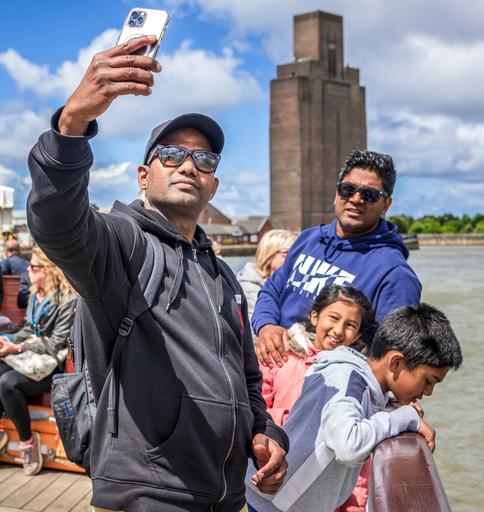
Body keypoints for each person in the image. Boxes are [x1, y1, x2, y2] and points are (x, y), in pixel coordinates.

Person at [27, 35, 288, 511]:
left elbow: (247, 378)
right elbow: (59, 224)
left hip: (226, 493)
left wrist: (265, 432)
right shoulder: (122, 243)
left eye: (204, 160)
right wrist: (72, 123)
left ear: (213, 185)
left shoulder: (224, 276)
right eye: (171, 154)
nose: (189, 164)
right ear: (144, 176)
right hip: (150, 492)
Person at [245, 303, 462, 512]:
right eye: (428, 381)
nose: (429, 392)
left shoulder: (366, 384)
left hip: (284, 502)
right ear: (396, 363)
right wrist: (408, 416)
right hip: (269, 502)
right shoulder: (346, 380)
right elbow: (348, 446)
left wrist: (390, 408)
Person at [252, 150, 422, 369]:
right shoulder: (308, 239)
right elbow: (271, 291)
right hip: (272, 372)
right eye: (348, 189)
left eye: (369, 194)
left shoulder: (395, 273)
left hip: (326, 388)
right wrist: (266, 326)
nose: (355, 199)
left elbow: (390, 357)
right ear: (336, 193)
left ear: (386, 205)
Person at [258, 285, 374, 512]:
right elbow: (253, 410)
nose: (339, 330)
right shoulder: (279, 354)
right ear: (315, 316)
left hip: (319, 499)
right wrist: (291, 418)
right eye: (333, 318)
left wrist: (354, 508)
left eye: (351, 325)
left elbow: (359, 464)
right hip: (266, 485)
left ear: (358, 334)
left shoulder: (357, 382)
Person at [0, 246, 78, 476]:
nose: (28, 270)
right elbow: (28, 330)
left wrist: (20, 346)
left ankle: (28, 443)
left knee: (7, 383)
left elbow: (55, 344)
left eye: (33, 266)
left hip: (51, 365)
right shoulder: (35, 294)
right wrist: (5, 340)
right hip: (30, 359)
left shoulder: (67, 299)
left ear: (48, 271)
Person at [236, 229, 297, 329]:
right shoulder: (248, 287)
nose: (293, 259)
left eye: (296, 254)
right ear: (268, 255)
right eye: (286, 253)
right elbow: (253, 330)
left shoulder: (293, 283)